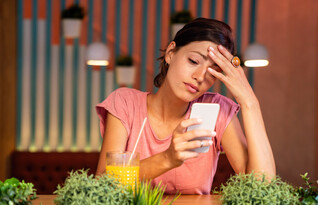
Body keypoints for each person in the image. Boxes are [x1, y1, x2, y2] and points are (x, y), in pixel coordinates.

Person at [95, 18, 276, 194]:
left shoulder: (216, 109)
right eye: (194, 61)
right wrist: (167, 158)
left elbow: (263, 189)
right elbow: (102, 185)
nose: (200, 76)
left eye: (213, 71)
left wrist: (250, 102)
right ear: (171, 53)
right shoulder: (126, 104)